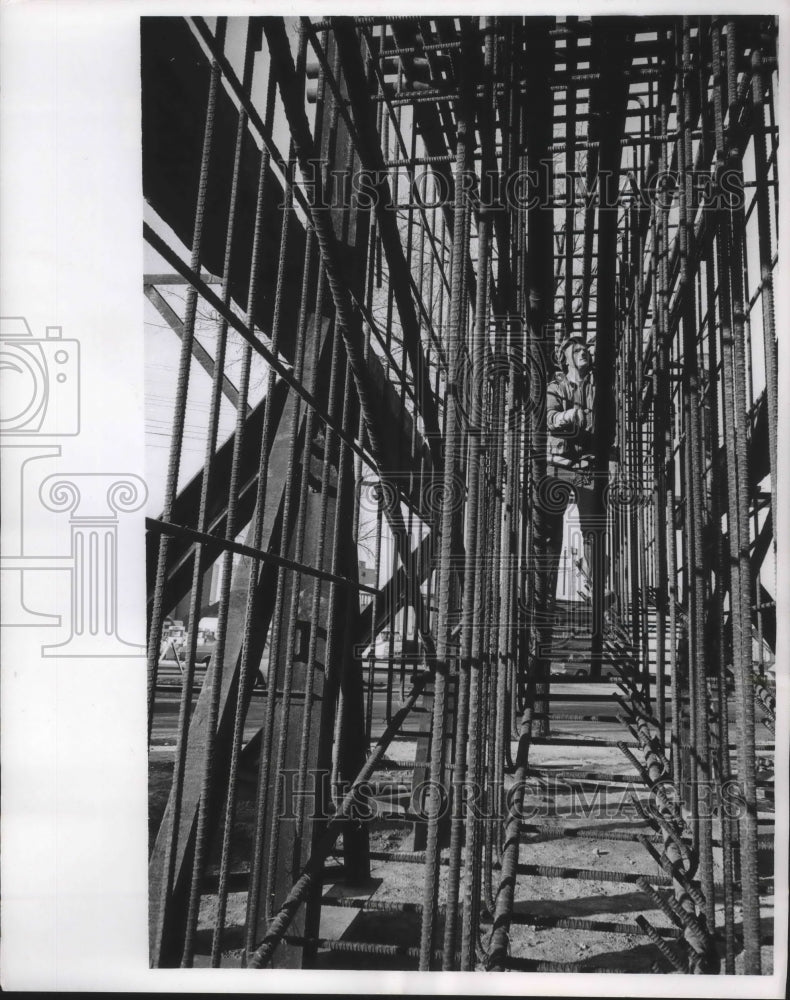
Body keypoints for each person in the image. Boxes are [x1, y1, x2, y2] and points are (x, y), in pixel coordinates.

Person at [532, 332, 608, 681]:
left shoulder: (597, 388)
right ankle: (542, 593)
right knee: (552, 535)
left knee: (594, 531)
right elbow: (549, 420)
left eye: (586, 349)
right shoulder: (556, 386)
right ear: (565, 358)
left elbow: (608, 426)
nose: (585, 353)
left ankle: (598, 591)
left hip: (588, 466)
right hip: (558, 465)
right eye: (577, 350)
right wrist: (572, 417)